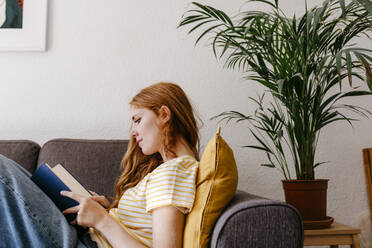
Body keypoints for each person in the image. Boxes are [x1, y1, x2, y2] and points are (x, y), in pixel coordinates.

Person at [0, 82, 200, 248]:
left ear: (165, 115)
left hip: (87, 243)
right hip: (86, 237)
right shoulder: (172, 171)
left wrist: (101, 220)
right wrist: (109, 209)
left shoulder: (173, 173)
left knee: (2, 171)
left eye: (138, 120)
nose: (133, 131)